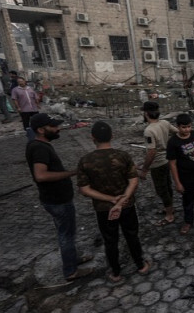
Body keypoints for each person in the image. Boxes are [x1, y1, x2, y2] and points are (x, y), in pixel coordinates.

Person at [77, 121, 150, 282]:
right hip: (127, 206)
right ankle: (141, 265)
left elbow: (84, 189)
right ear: (112, 136)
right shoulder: (122, 156)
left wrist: (111, 200)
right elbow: (133, 180)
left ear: (92, 138)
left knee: (110, 240)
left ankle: (116, 273)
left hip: (104, 209)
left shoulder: (85, 161)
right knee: (132, 235)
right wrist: (122, 199)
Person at [25, 113, 93, 281]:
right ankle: (71, 271)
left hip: (56, 198)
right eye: (53, 127)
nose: (58, 129)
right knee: (66, 234)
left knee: (67, 232)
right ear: (41, 130)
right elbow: (40, 176)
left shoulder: (40, 144)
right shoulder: (39, 148)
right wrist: (71, 173)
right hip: (57, 200)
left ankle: (73, 259)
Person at [138, 101, 178, 226]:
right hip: (167, 161)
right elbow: (178, 132)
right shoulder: (165, 123)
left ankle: (169, 215)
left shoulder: (149, 130)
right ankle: (169, 207)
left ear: (146, 113)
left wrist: (144, 169)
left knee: (161, 190)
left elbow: (151, 152)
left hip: (158, 164)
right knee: (167, 186)